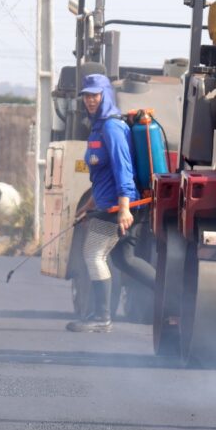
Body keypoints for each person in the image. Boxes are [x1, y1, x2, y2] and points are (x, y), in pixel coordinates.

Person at [66, 73, 154, 333]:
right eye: (87, 95)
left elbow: (122, 169)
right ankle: (174, 299)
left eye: (95, 95)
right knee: (125, 260)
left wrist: (125, 207)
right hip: (106, 203)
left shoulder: (112, 127)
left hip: (117, 207)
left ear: (105, 95)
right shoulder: (98, 126)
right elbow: (102, 174)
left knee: (93, 254)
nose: (90, 100)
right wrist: (89, 204)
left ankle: (101, 318)